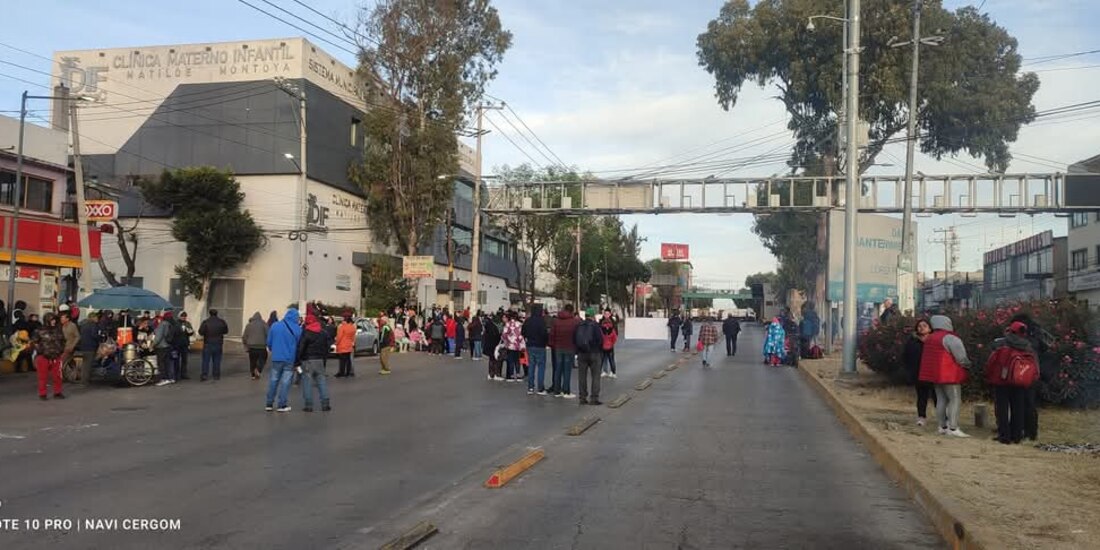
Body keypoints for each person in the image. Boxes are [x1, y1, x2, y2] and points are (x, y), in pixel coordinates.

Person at [919, 315, 972, 438]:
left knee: (941, 400)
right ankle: (953, 427)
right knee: (955, 399)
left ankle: (942, 426)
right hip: (950, 374)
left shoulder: (930, 338)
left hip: (935, 374)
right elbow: (961, 357)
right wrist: (967, 364)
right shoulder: (950, 338)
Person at [985, 321, 1038, 444]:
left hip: (1001, 381)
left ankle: (1004, 435)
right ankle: (1017, 435)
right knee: (1018, 408)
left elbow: (991, 362)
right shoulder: (1027, 346)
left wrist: (989, 376)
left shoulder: (1001, 343)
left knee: (1002, 409)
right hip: (1019, 380)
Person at [1008, 313, 1052, 441]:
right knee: (1030, 403)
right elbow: (1046, 348)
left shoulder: (1017, 338)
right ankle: (1031, 432)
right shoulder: (1037, 334)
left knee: (1017, 403)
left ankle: (1017, 429)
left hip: (1018, 372)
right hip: (1033, 372)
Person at [266, 308, 302, 412]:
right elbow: (300, 345)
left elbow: (269, 342)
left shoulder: (275, 325)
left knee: (273, 380)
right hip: (290, 359)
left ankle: (269, 403)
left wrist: (273, 349)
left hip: (276, 357)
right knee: (285, 382)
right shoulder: (298, 329)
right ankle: (282, 405)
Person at [297, 311, 332, 412]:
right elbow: (328, 346)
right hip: (319, 360)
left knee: (307, 383)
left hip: (307, 360)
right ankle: (325, 404)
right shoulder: (323, 333)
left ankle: (309, 405)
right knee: (321, 382)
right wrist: (324, 357)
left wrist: (298, 359)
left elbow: (301, 348)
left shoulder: (306, 333)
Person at [903, 319, 937, 426]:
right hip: (918, 373)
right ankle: (921, 417)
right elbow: (906, 356)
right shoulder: (912, 341)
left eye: (924, 326)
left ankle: (943, 418)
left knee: (937, 396)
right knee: (922, 396)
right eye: (919, 326)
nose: (921, 328)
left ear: (930, 328)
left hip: (933, 373)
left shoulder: (935, 340)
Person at [574, 309, 605, 405]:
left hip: (581, 354)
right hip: (594, 353)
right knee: (595, 376)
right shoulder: (595, 326)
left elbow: (574, 339)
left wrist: (577, 351)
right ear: (593, 316)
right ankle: (594, 398)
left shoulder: (579, 325)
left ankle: (582, 397)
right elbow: (600, 340)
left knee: (582, 377)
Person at [33, 313, 66, 400]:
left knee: (57, 376)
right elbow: (35, 342)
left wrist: (61, 350)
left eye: (55, 319)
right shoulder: (39, 330)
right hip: (43, 356)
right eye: (52, 320)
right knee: (42, 376)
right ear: (47, 320)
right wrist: (41, 351)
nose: (54, 321)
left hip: (56, 356)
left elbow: (63, 341)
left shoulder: (58, 330)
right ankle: (42, 394)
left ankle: (57, 392)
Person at [549, 304, 580, 398]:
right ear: (572, 311)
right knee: (567, 370)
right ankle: (566, 391)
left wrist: (552, 345)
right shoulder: (575, 322)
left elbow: (552, 334)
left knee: (558, 369)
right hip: (570, 347)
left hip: (558, 348)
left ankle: (557, 390)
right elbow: (577, 335)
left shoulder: (556, 321)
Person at [521, 304, 550, 395]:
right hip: (540, 346)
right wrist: (545, 342)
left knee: (531, 366)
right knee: (541, 367)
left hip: (530, 345)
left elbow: (523, 332)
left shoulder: (528, 321)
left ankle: (530, 387)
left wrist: (527, 338)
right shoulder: (542, 321)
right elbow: (545, 334)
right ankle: (540, 388)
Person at [198, 309, 229, 381]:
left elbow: (201, 332)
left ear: (210, 314)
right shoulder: (222, 322)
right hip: (218, 343)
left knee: (206, 360)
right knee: (217, 360)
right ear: (216, 314)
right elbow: (226, 331)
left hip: (208, 343)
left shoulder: (206, 322)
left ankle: (204, 375)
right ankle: (216, 375)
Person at [153, 310, 178, 386]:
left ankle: (163, 378)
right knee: (168, 363)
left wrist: (153, 344)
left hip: (161, 346)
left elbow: (158, 337)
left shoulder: (163, 324)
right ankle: (170, 378)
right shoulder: (172, 324)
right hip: (168, 345)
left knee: (161, 363)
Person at [78, 311, 102, 386]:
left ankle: (83, 379)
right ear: (92, 318)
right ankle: (85, 381)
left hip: (83, 346)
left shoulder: (83, 325)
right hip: (90, 347)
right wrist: (100, 338)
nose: (97, 318)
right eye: (96, 317)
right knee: (88, 365)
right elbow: (94, 335)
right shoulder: (93, 325)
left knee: (85, 364)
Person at [242, 312, 269, 380]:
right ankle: (258, 369)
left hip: (252, 346)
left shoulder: (249, 325)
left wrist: (245, 344)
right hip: (262, 346)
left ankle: (253, 375)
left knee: (252, 361)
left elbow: (245, 336)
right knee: (263, 359)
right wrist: (268, 343)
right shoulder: (264, 324)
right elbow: (268, 334)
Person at [501, 311, 525, 382]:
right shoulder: (519, 324)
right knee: (518, 360)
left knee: (510, 360)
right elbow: (522, 334)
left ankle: (511, 375)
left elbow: (504, 335)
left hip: (510, 345)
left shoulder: (507, 324)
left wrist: (507, 341)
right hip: (518, 345)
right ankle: (518, 374)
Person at [59, 305, 80, 376]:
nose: (61, 319)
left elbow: (77, 336)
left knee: (62, 361)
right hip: (63, 346)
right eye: (61, 318)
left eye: (62, 318)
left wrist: (72, 346)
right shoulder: (61, 326)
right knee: (70, 362)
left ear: (67, 319)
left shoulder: (72, 325)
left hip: (69, 347)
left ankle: (60, 375)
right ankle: (77, 374)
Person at [482, 313, 503, 380]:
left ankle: (490, 374)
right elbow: (496, 336)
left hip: (489, 345)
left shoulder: (488, 326)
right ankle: (496, 374)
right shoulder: (495, 327)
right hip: (494, 345)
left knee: (491, 360)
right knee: (496, 360)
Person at [175, 312, 195, 380]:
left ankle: (183, 373)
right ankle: (176, 374)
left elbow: (191, 332)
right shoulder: (176, 323)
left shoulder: (187, 323)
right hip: (177, 343)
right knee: (176, 359)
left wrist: (190, 331)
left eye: (185, 316)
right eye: (182, 316)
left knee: (184, 359)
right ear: (179, 316)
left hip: (185, 343)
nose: (183, 317)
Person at [600, 310, 618, 378]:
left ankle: (608, 371)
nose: (607, 315)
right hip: (610, 345)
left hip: (604, 345)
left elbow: (600, 336)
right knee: (609, 359)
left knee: (605, 358)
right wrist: (611, 343)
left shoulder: (612, 321)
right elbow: (615, 337)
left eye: (608, 314)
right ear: (604, 314)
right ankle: (610, 372)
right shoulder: (602, 321)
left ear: (610, 314)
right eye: (605, 314)